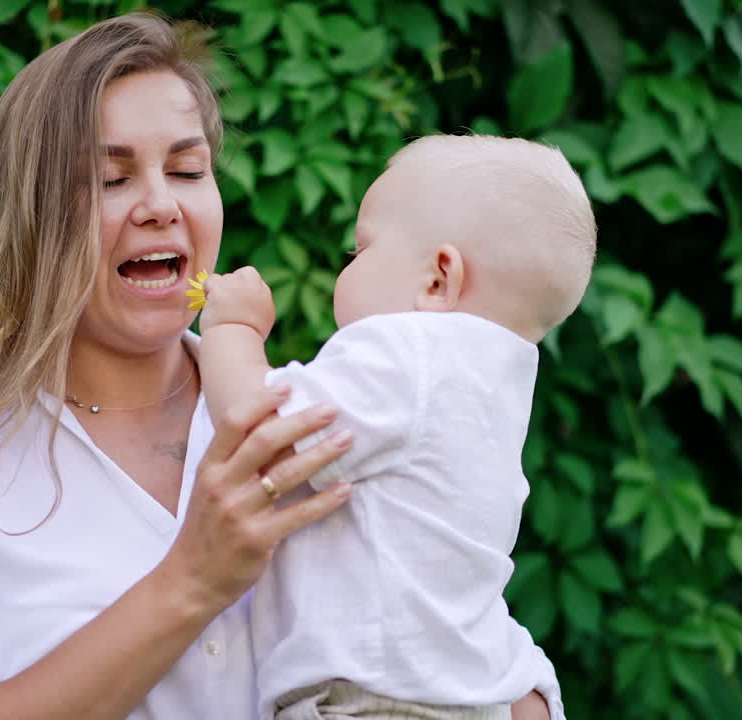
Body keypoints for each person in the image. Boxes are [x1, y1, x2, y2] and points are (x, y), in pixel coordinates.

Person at [0, 13, 562, 720]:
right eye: (112, 177)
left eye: (188, 171)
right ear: (28, 217)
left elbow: (456, 615)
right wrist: (189, 584)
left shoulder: (316, 411)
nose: (161, 205)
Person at [196, 135, 595, 720]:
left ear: (438, 279)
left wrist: (231, 328)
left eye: (360, 252)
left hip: (376, 701)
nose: (346, 268)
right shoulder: (492, 389)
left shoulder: (412, 354)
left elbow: (257, 431)